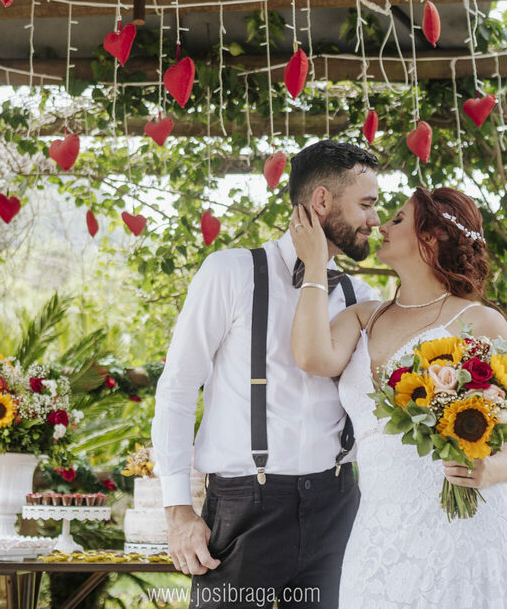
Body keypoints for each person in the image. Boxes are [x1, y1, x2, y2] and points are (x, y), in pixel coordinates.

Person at [151, 139, 382, 608]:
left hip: (337, 507)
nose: (375, 220)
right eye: (366, 204)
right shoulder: (230, 273)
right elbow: (177, 389)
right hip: (245, 509)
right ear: (322, 201)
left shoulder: (362, 296)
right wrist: (178, 511)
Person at [290, 186, 507, 607]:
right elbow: (311, 356)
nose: (380, 225)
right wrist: (316, 264)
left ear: (432, 237)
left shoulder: (480, 321)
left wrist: (488, 471)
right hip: (378, 533)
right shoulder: (364, 317)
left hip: (465, 529)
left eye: (397, 219)